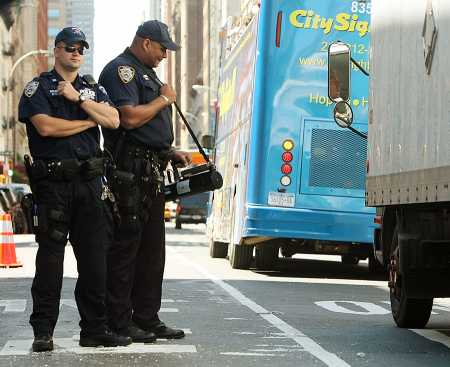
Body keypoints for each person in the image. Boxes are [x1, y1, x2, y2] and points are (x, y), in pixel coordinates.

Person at [18, 26, 132, 352]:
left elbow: (112, 120)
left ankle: (94, 329)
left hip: (91, 184)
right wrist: (87, 120)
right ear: (56, 50)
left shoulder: (90, 87)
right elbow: (46, 126)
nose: (76, 53)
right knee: (51, 261)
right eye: (69, 47)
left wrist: (80, 100)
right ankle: (43, 331)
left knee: (96, 260)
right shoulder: (38, 87)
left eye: (81, 48)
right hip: (54, 185)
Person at [99, 20, 191, 342]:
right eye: (163, 48)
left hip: (151, 171)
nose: (166, 55)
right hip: (128, 172)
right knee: (127, 250)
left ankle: (147, 318)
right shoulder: (121, 71)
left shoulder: (149, 75)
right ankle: (120, 322)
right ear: (146, 42)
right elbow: (128, 118)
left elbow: (149, 128)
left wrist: (170, 150)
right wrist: (164, 100)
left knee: (152, 253)